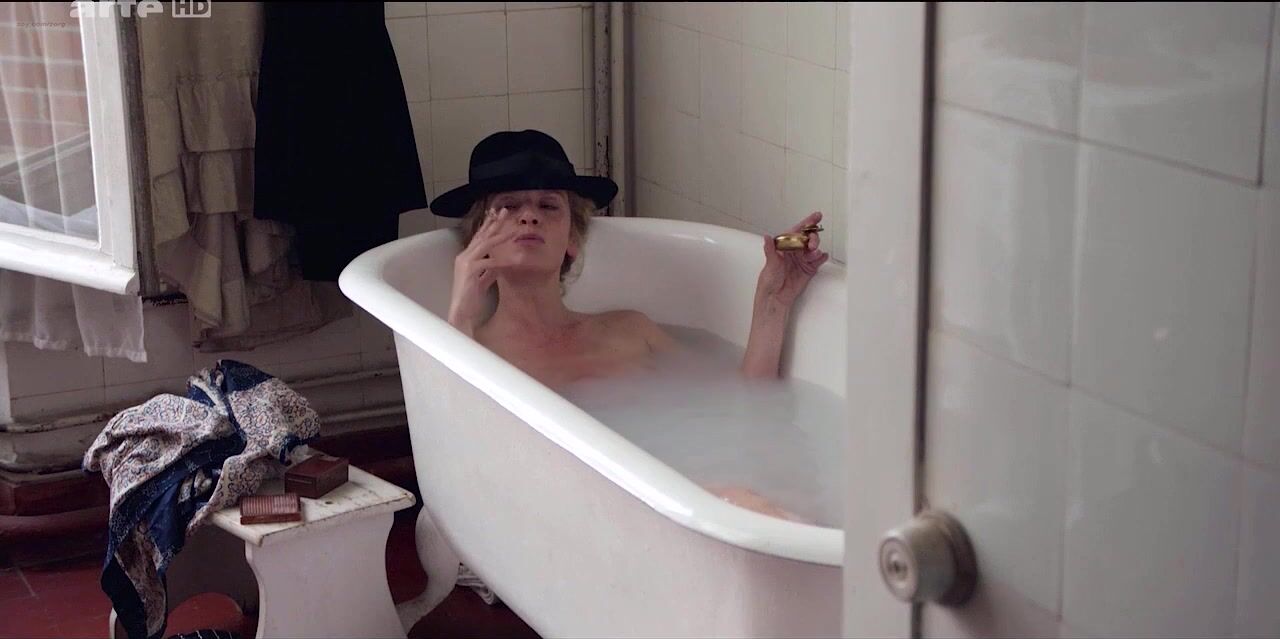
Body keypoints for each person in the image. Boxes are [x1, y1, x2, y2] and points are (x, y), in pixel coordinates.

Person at [430, 130, 829, 521]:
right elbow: (458, 457)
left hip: (689, 498)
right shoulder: (471, 353)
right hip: (586, 513)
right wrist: (461, 310)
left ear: (573, 240)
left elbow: (745, 405)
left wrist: (774, 298)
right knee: (752, 507)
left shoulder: (631, 330)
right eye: (508, 207)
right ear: (478, 240)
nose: (529, 216)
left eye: (549, 206)